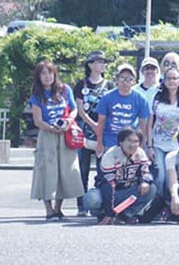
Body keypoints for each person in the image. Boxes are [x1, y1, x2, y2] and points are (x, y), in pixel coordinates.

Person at [29, 60, 84, 221]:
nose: (47, 77)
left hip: (65, 134)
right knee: (46, 170)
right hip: (47, 135)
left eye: (50, 73)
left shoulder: (65, 90)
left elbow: (74, 109)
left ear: (55, 74)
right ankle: (48, 210)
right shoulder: (36, 96)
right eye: (43, 74)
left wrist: (67, 121)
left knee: (65, 170)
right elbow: (37, 121)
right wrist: (52, 128)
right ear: (38, 77)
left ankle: (58, 208)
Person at [84, 127, 157, 224]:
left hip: (128, 191)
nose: (133, 145)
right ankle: (102, 214)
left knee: (151, 188)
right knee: (92, 198)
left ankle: (126, 214)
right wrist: (109, 213)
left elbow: (147, 173)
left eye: (136, 141)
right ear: (121, 142)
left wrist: (145, 181)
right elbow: (108, 185)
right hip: (108, 192)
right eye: (129, 141)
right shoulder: (110, 155)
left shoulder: (140, 153)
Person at [73, 51, 115, 216]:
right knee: (82, 169)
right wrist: (93, 124)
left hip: (103, 132)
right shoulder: (81, 85)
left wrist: (101, 127)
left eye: (104, 62)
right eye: (98, 61)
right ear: (90, 64)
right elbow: (80, 109)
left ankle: (100, 203)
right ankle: (81, 205)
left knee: (102, 168)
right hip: (85, 131)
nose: (102, 64)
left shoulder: (109, 85)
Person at [146, 67, 179, 198]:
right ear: (164, 81)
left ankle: (170, 204)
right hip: (158, 145)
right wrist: (149, 146)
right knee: (160, 177)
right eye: (168, 78)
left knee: (172, 177)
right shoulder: (157, 98)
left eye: (174, 78)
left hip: (176, 146)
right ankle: (157, 204)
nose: (171, 81)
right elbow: (150, 124)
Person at [95, 63, 151, 157]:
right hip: (110, 140)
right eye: (122, 79)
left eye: (129, 79)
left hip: (131, 142)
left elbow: (142, 125)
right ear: (116, 80)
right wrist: (99, 143)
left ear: (133, 81)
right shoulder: (107, 97)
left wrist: (141, 146)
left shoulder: (141, 99)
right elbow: (101, 122)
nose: (125, 82)